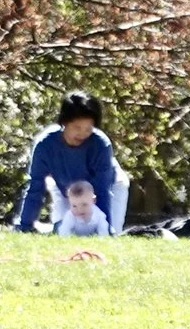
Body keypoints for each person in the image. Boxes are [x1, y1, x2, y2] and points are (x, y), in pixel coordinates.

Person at [13, 90, 121, 233]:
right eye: (77, 127)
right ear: (64, 122)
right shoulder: (45, 145)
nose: (83, 134)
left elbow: (102, 190)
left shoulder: (100, 144)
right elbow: (35, 187)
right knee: (66, 231)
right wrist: (24, 225)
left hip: (110, 187)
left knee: (104, 232)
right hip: (67, 191)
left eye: (88, 129)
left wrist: (104, 227)